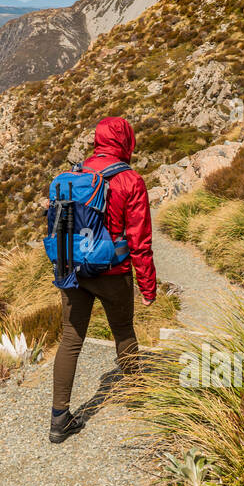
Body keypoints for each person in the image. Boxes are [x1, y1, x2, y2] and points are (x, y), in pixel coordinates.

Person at [50, 116, 158, 443]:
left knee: (70, 338)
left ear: (98, 139)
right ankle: (138, 398)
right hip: (112, 271)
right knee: (123, 330)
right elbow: (140, 242)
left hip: (72, 269)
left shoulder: (72, 175)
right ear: (126, 140)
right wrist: (148, 287)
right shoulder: (130, 180)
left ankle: (59, 420)